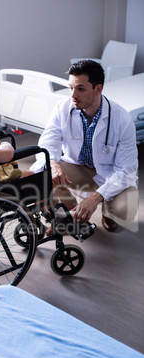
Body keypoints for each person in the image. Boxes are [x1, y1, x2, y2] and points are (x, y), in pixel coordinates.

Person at [31, 60, 138, 232]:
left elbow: (126, 170)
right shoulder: (63, 108)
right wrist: (53, 164)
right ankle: (70, 207)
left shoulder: (122, 120)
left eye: (80, 89)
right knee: (42, 171)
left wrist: (96, 198)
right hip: (77, 167)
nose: (73, 95)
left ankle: (107, 211)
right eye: (71, 88)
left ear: (98, 89)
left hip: (109, 174)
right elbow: (48, 142)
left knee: (124, 211)